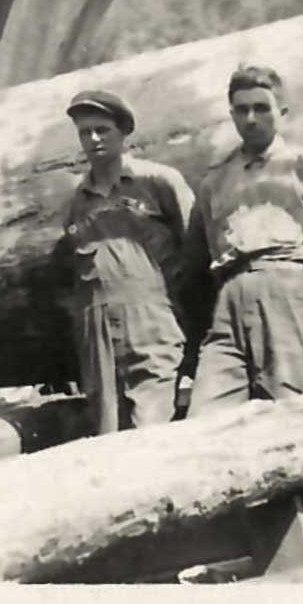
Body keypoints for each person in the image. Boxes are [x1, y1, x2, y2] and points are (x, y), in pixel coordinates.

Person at [183, 65, 303, 415]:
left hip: (289, 289)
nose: (251, 119)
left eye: (261, 108)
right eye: (242, 110)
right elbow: (204, 251)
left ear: (282, 111)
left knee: (294, 412)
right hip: (229, 297)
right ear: (232, 114)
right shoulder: (215, 179)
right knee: (204, 415)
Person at [59, 90, 195, 434]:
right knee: (110, 436)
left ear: (123, 132)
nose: (93, 139)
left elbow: (196, 251)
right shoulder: (77, 201)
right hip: (98, 334)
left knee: (153, 429)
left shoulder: (158, 182)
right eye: (85, 132)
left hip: (152, 325)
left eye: (102, 130)